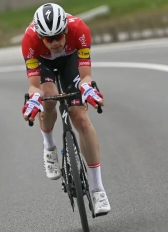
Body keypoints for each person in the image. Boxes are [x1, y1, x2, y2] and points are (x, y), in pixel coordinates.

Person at [21, 3, 110, 215]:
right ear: (40, 36)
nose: (54, 43)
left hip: (71, 61)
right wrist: (34, 100)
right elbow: (34, 86)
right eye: (48, 39)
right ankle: (49, 147)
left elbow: (85, 75)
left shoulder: (79, 30)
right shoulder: (30, 41)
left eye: (58, 36)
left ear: (66, 30)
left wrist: (87, 88)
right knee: (48, 101)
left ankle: (98, 189)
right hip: (44, 65)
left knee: (80, 116)